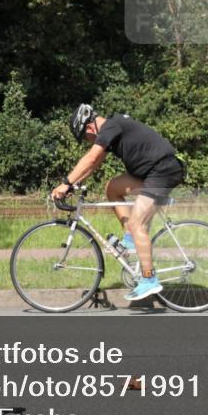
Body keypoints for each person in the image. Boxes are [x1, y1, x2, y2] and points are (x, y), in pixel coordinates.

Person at [51, 103, 186, 301]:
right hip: (152, 172)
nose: (89, 142)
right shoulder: (111, 131)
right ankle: (130, 239)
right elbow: (93, 165)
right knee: (112, 188)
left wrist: (65, 184)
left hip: (164, 170)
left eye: (86, 138)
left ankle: (149, 279)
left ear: (89, 127)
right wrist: (73, 184)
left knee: (137, 222)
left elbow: (90, 158)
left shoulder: (111, 126)